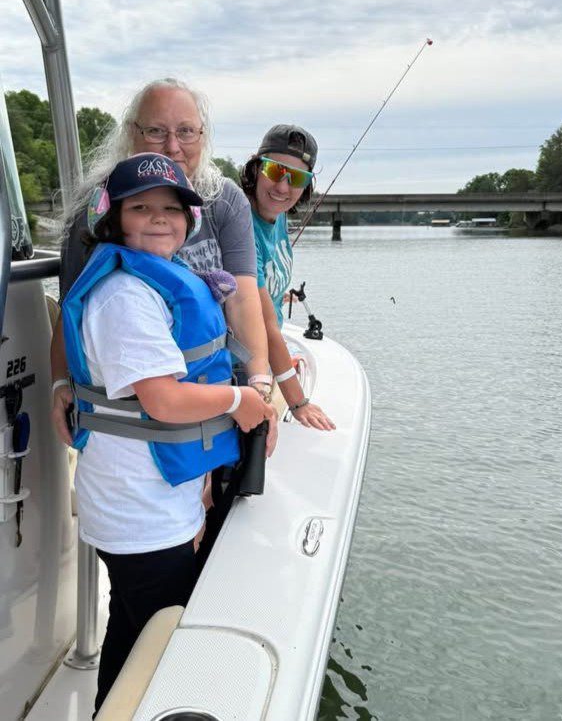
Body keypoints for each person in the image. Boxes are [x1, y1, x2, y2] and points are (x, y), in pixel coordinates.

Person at [58, 152, 274, 715]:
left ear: (190, 220)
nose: (160, 217)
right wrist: (241, 401)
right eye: (141, 207)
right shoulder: (125, 297)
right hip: (140, 515)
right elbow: (164, 399)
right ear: (113, 219)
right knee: (157, 644)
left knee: (133, 632)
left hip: (149, 499)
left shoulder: (151, 282)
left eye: (173, 209)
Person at [51, 78, 271, 444]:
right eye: (156, 131)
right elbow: (72, 305)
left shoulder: (226, 200)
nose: (172, 146)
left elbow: (243, 298)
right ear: (131, 133)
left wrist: (259, 382)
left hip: (221, 395)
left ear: (202, 135)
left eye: (186, 131)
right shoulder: (97, 209)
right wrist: (60, 382)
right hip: (132, 411)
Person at [240, 125, 335, 430]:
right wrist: (298, 402)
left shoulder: (278, 216)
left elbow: (259, 284)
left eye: (296, 178)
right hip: (244, 367)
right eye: (275, 170)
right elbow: (263, 324)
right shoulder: (241, 226)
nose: (283, 187)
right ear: (256, 168)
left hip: (271, 357)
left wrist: (277, 295)